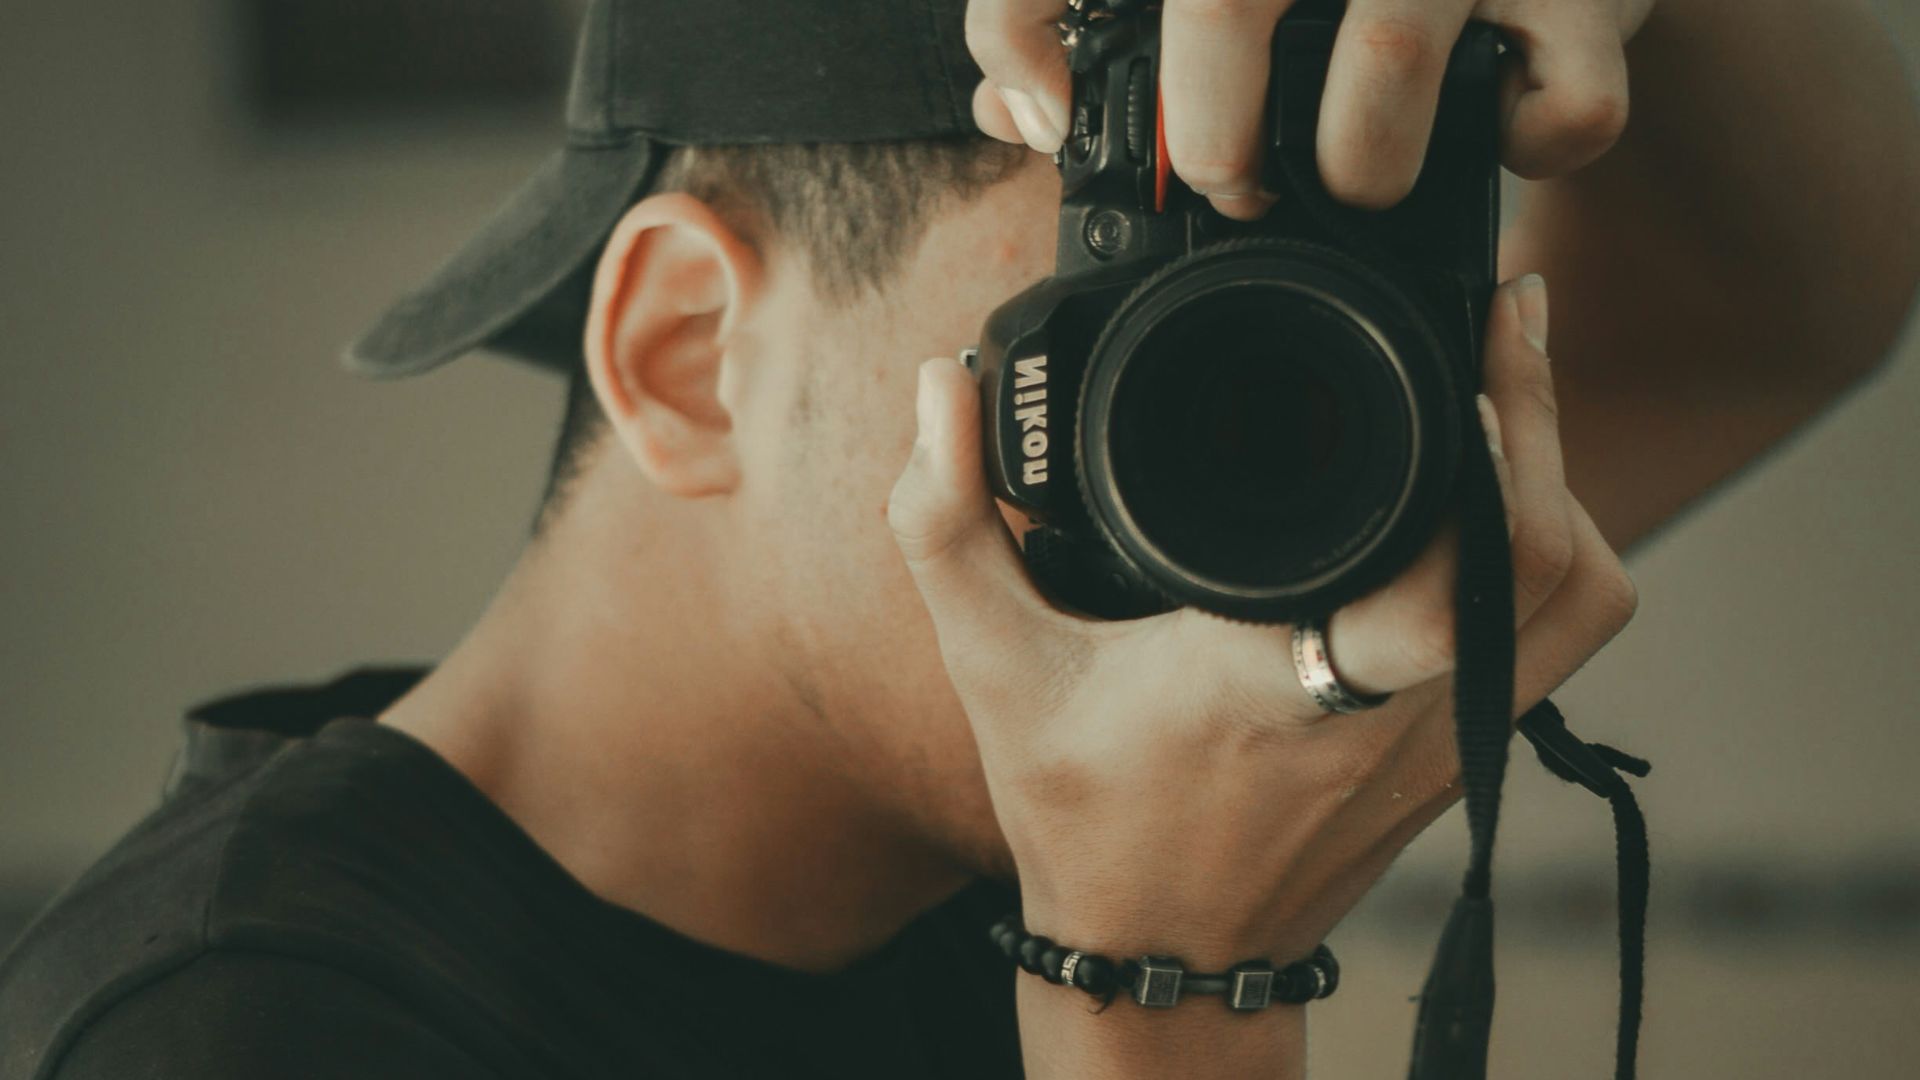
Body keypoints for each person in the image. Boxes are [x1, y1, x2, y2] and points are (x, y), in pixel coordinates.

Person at [2, 0, 1914, 1077]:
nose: (1263, 505)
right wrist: (1165, 992)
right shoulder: (252, 1038)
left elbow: (1796, 291)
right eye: (1150, 350)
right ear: (687, 355)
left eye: (1311, 354)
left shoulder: (942, 813)